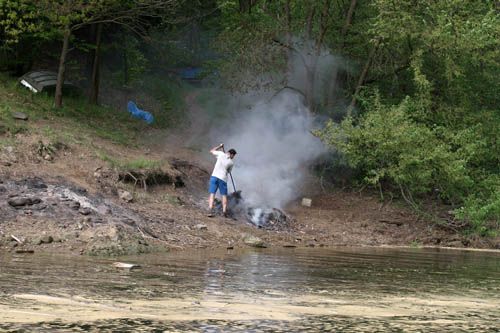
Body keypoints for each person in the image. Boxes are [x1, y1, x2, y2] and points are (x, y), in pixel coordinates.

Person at [208, 143, 237, 217]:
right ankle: (224, 212)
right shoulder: (231, 163)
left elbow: (211, 151)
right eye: (234, 155)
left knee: (212, 194)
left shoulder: (220, 154)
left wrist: (220, 146)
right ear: (231, 154)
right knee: (224, 195)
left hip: (214, 176)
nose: (234, 157)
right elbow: (229, 171)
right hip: (222, 179)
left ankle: (210, 209)